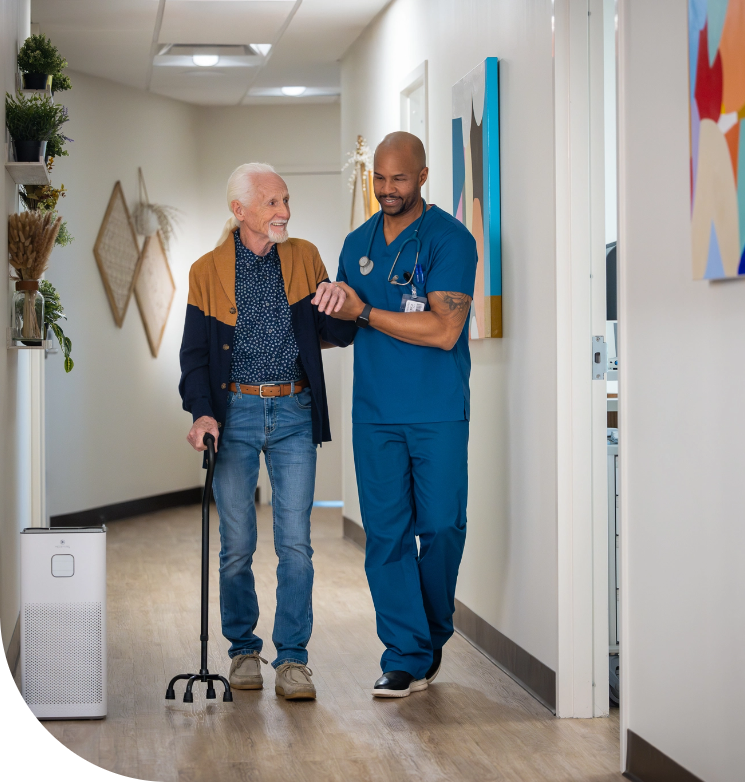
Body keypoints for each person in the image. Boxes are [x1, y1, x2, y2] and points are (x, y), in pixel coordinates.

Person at [179, 162, 355, 700]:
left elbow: (336, 332)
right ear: (241, 211)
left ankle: (294, 660)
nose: (285, 211)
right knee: (236, 545)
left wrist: (343, 303)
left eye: (285, 200)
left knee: (296, 544)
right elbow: (194, 358)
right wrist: (201, 413)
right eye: (274, 202)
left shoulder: (304, 257)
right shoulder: (206, 271)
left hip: (294, 410)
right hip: (235, 416)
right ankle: (242, 651)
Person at [313, 132, 477, 698]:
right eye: (379, 178)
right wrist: (322, 312)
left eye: (399, 179)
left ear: (423, 177)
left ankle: (429, 635)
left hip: (436, 412)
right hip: (376, 413)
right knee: (385, 534)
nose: (386, 189)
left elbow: (444, 329)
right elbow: (343, 329)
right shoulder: (357, 243)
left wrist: (365, 312)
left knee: (442, 527)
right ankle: (405, 654)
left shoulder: (450, 241)